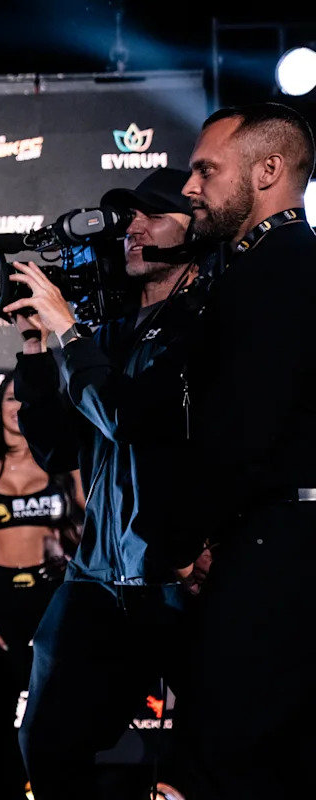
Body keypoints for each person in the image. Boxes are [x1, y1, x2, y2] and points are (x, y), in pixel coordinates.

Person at [0, 168, 209, 800]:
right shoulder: (110, 334)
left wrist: (68, 330)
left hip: (179, 578)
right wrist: (36, 346)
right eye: (129, 217)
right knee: (46, 743)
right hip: (97, 577)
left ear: (195, 231)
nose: (134, 228)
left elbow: (126, 417)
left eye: (154, 214)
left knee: (218, 751)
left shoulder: (205, 322)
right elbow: (59, 448)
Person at [173, 102, 316, 799]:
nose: (190, 187)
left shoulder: (268, 274)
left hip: (271, 550)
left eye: (206, 170)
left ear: (267, 170)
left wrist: (187, 540)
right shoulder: (282, 265)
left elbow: (240, 430)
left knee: (234, 762)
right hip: (278, 539)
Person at [0, 373, 82, 800]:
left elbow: (90, 523)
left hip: (54, 596)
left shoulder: (62, 463)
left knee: (61, 715)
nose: (18, 408)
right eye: (11, 399)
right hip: (1, 600)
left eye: (27, 401)